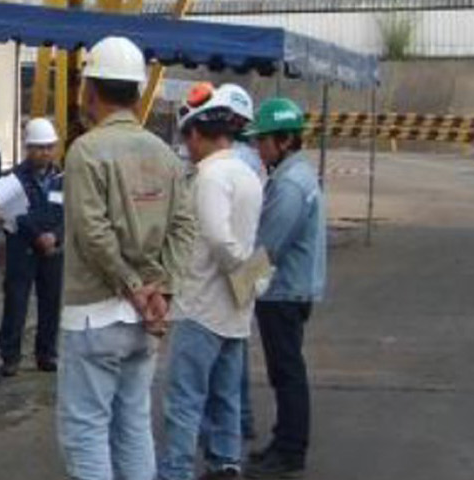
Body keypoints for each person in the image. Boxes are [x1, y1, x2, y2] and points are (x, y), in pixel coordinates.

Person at [55, 36, 197, 480]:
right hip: (146, 318)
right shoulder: (164, 154)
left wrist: (133, 288)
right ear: (137, 92)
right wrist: (162, 292)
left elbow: (92, 233)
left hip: (95, 313)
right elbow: (183, 227)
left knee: (86, 430)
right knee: (133, 426)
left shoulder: (86, 150)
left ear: (90, 90)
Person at [158, 84, 264, 480]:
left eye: (187, 137)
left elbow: (220, 240)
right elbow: (251, 239)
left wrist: (241, 271)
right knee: (226, 396)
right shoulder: (249, 174)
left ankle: (176, 470)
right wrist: (254, 281)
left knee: (185, 400)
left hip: (200, 306)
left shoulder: (210, 177)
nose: (187, 147)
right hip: (236, 310)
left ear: (198, 133)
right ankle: (225, 462)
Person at [246, 97, 326, 479]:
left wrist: (237, 288)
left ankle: (291, 450)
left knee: (287, 371)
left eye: (262, 140)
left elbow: (270, 245)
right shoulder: (298, 174)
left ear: (284, 140)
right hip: (292, 288)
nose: (258, 147)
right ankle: (284, 442)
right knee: (286, 370)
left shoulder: (291, 184)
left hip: (284, 290)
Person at [0, 118, 67, 377]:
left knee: (51, 304)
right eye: (39, 147)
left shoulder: (62, 179)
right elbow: (13, 214)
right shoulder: (13, 179)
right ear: (28, 148)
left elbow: (70, 213)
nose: (45, 152)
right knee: (16, 303)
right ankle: (10, 356)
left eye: (49, 147)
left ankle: (46, 354)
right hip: (22, 249)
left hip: (53, 251)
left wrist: (55, 237)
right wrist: (38, 236)